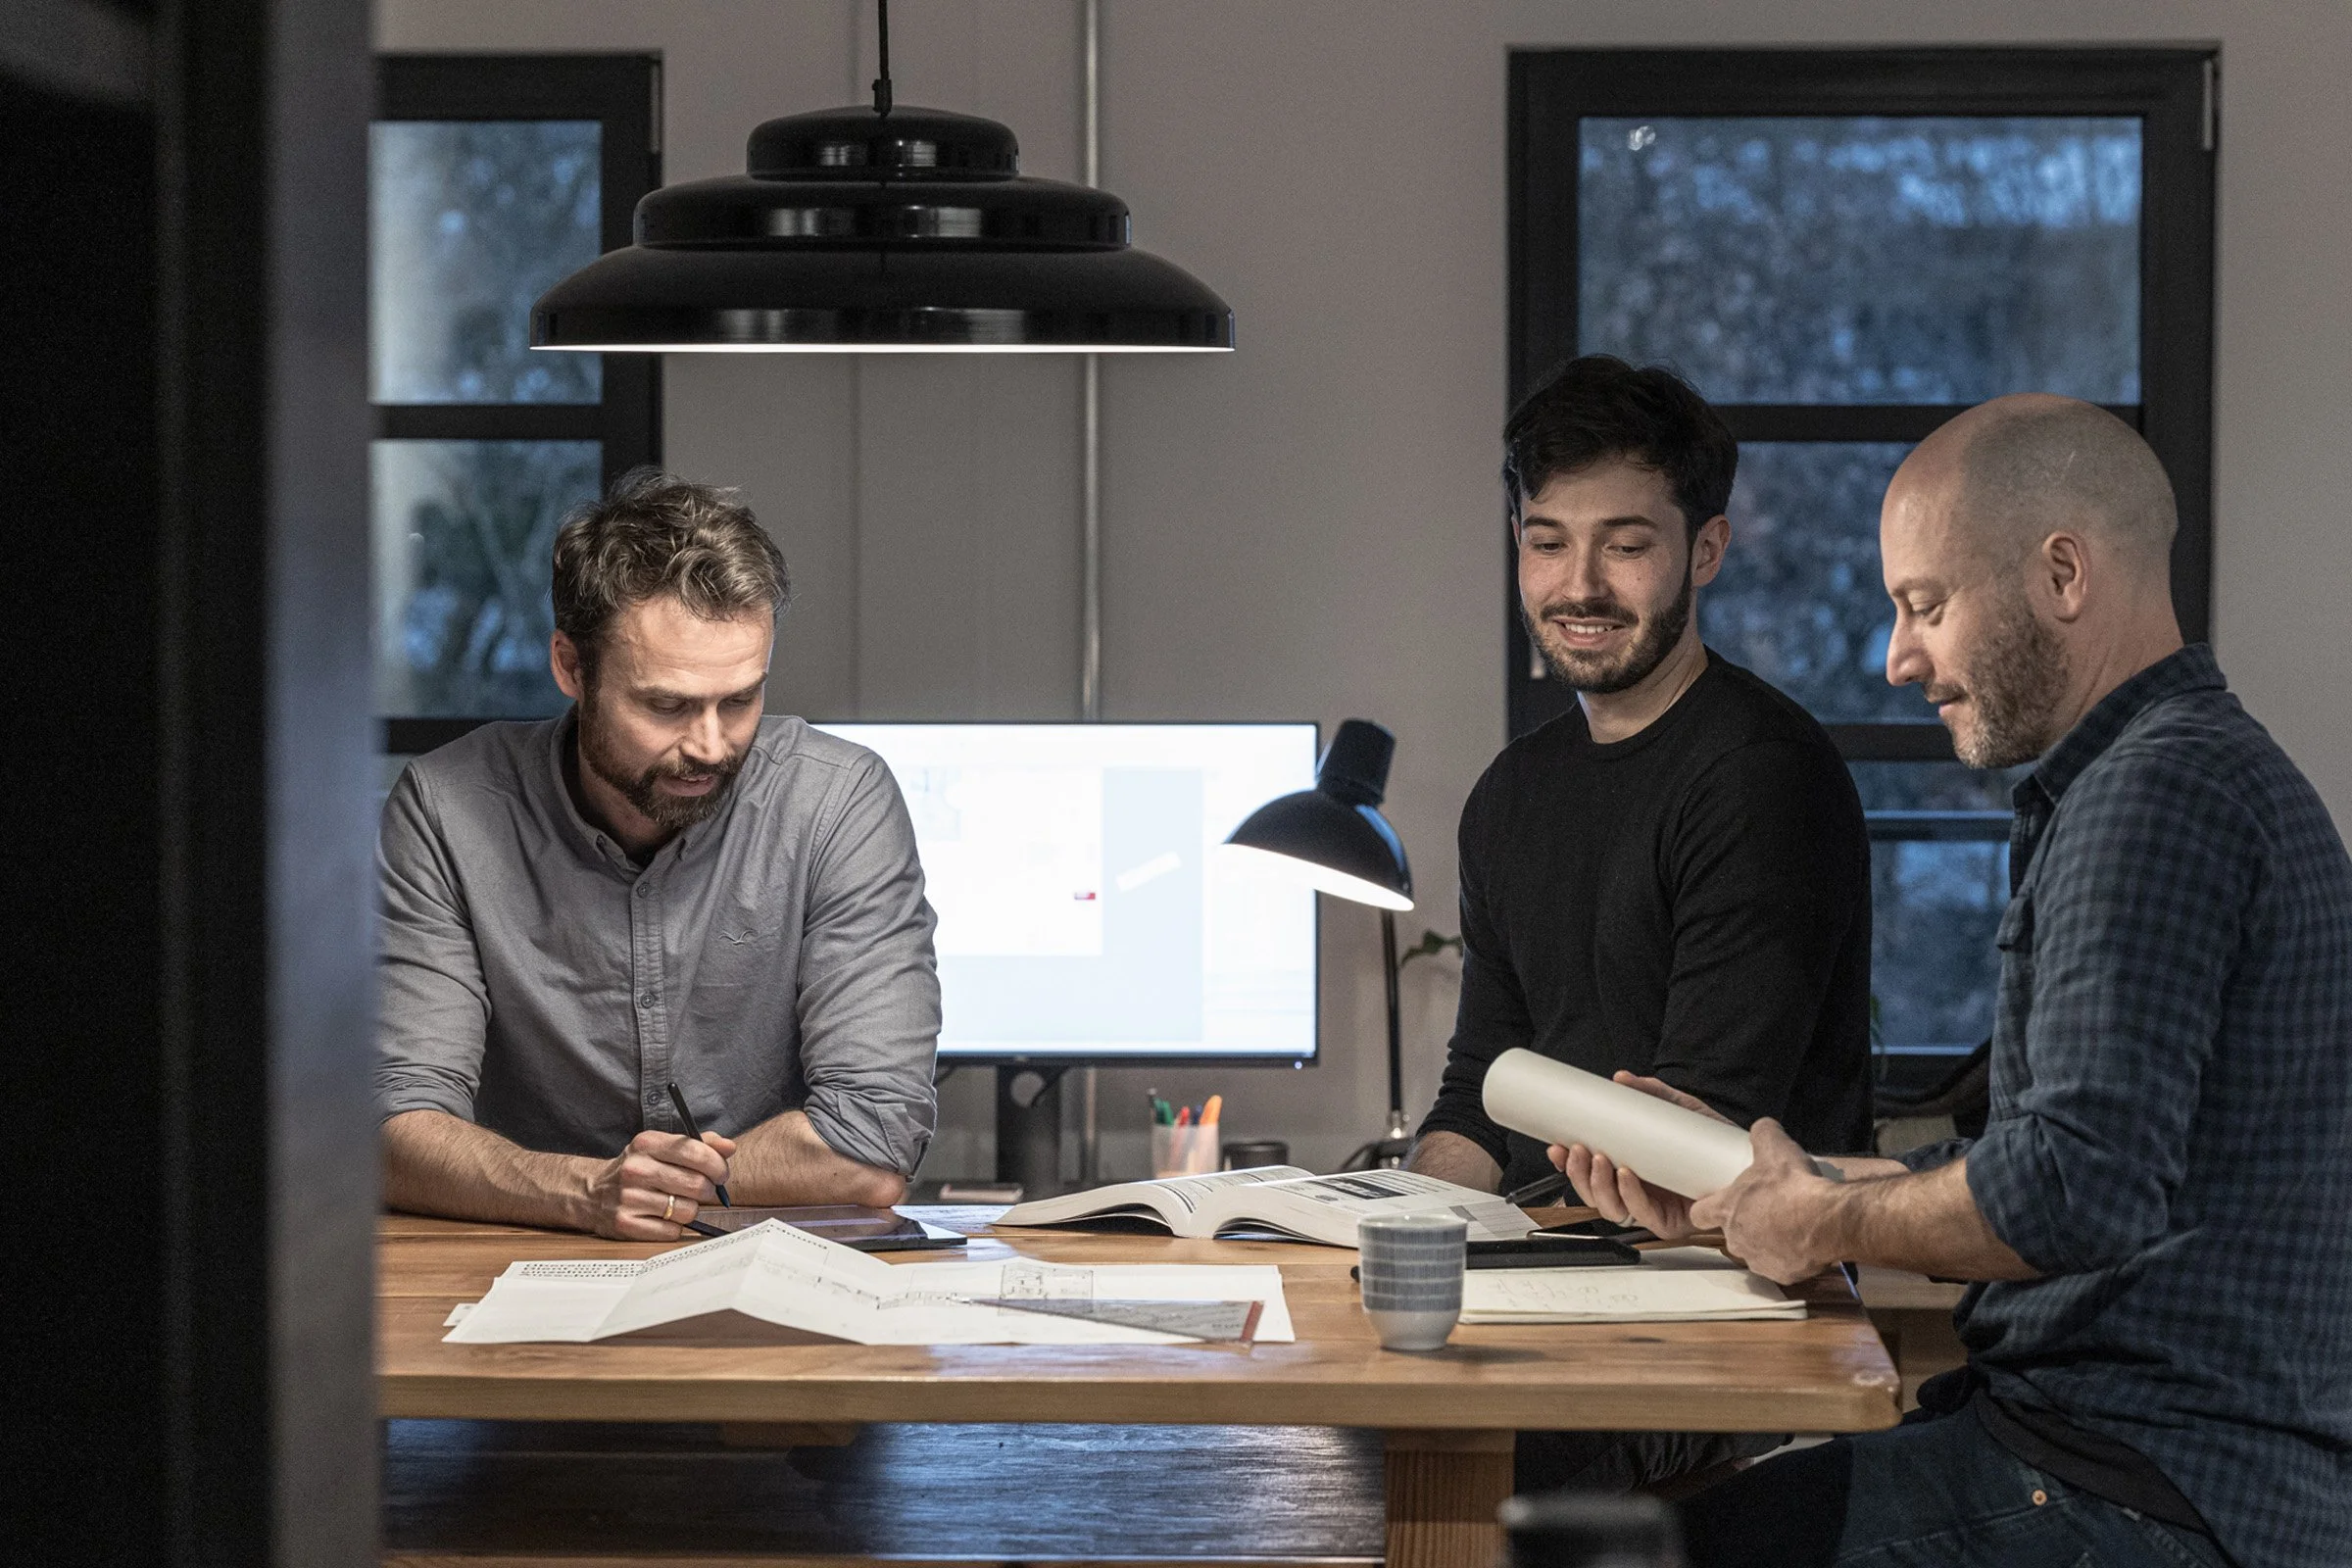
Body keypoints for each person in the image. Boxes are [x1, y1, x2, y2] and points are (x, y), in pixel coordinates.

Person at [1567, 395, 2352, 1567]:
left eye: (1926, 605)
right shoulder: (2173, 774)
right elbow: (2054, 1156)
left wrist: (1821, 1219)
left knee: (1618, 1552)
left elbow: (2071, 1190)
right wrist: (1754, 1189)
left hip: (2143, 1490)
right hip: (2139, 1465)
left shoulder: (2153, 799)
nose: (1897, 658)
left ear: (2064, 573)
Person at [1408, 356, 1875, 1491]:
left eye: (1625, 543)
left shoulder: (1763, 777)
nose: (1579, 583)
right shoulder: (1513, 794)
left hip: (1719, 1328)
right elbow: (1481, 1084)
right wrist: (1399, 1216)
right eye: (1547, 539)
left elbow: (1698, 1133)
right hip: (1561, 1292)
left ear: (1703, 550)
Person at [376, 470, 942, 1241]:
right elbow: (394, 1126)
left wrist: (652, 1189)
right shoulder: (447, 809)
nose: (711, 745)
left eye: (740, 699)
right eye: (666, 705)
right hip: (522, 1258)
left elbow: (874, 1140)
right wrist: (582, 1190)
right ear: (572, 668)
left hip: (782, 1272)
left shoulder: (837, 802)